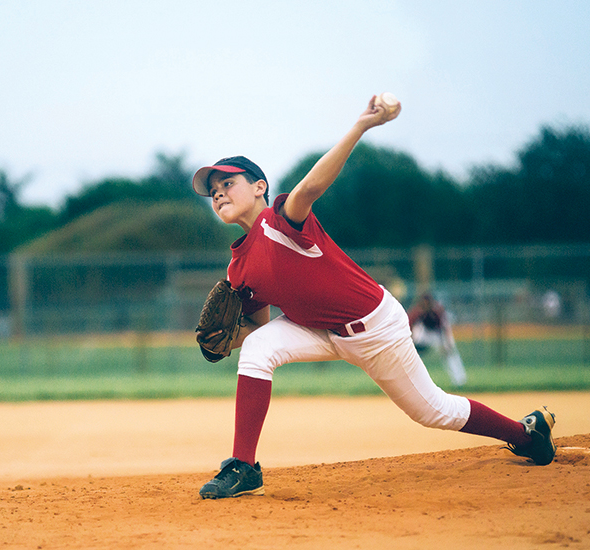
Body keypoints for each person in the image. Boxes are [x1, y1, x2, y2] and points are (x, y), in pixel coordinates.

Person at [190, 95, 556, 500]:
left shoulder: (280, 220)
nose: (219, 193)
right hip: (316, 329)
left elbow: (311, 185)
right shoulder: (237, 267)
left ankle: (527, 436)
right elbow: (259, 330)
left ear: (260, 187)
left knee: (433, 411)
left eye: (228, 183)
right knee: (258, 347)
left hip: (376, 326)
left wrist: (361, 126)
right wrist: (228, 339)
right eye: (213, 191)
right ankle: (244, 466)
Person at [407, 292, 467, 386]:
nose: (425, 305)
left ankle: (459, 381)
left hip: (438, 333)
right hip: (425, 333)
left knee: (450, 354)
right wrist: (410, 343)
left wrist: (446, 344)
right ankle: (411, 380)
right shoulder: (417, 310)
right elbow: (409, 325)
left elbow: (444, 328)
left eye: (427, 303)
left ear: (431, 302)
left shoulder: (437, 310)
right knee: (414, 339)